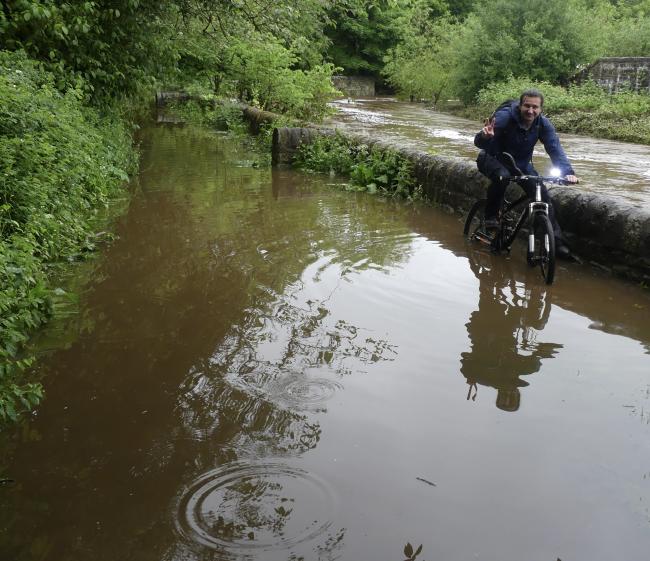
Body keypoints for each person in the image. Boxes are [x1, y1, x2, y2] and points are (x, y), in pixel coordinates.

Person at [474, 89, 579, 258]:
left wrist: (568, 172)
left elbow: (555, 148)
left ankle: (556, 245)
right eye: (527, 106)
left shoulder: (543, 124)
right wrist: (485, 136)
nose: (531, 111)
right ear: (520, 106)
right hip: (492, 158)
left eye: (535, 107)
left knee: (542, 194)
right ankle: (491, 216)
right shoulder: (505, 117)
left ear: (541, 109)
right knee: (502, 177)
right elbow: (478, 141)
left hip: (520, 164)